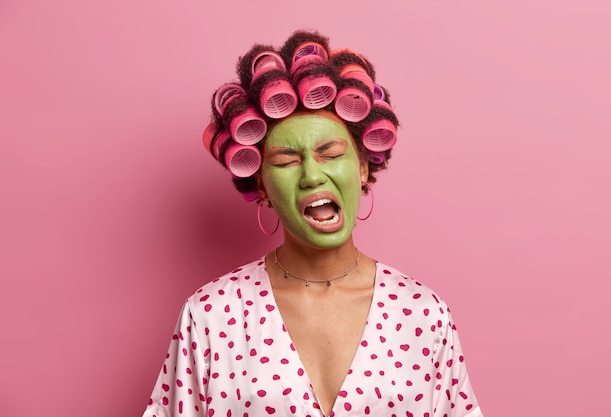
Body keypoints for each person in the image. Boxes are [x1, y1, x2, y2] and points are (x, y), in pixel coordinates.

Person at [142, 30, 483, 417]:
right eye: (286, 161)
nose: (311, 176)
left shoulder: (423, 314)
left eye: (331, 153)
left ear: (363, 167)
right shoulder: (210, 315)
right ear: (261, 184)